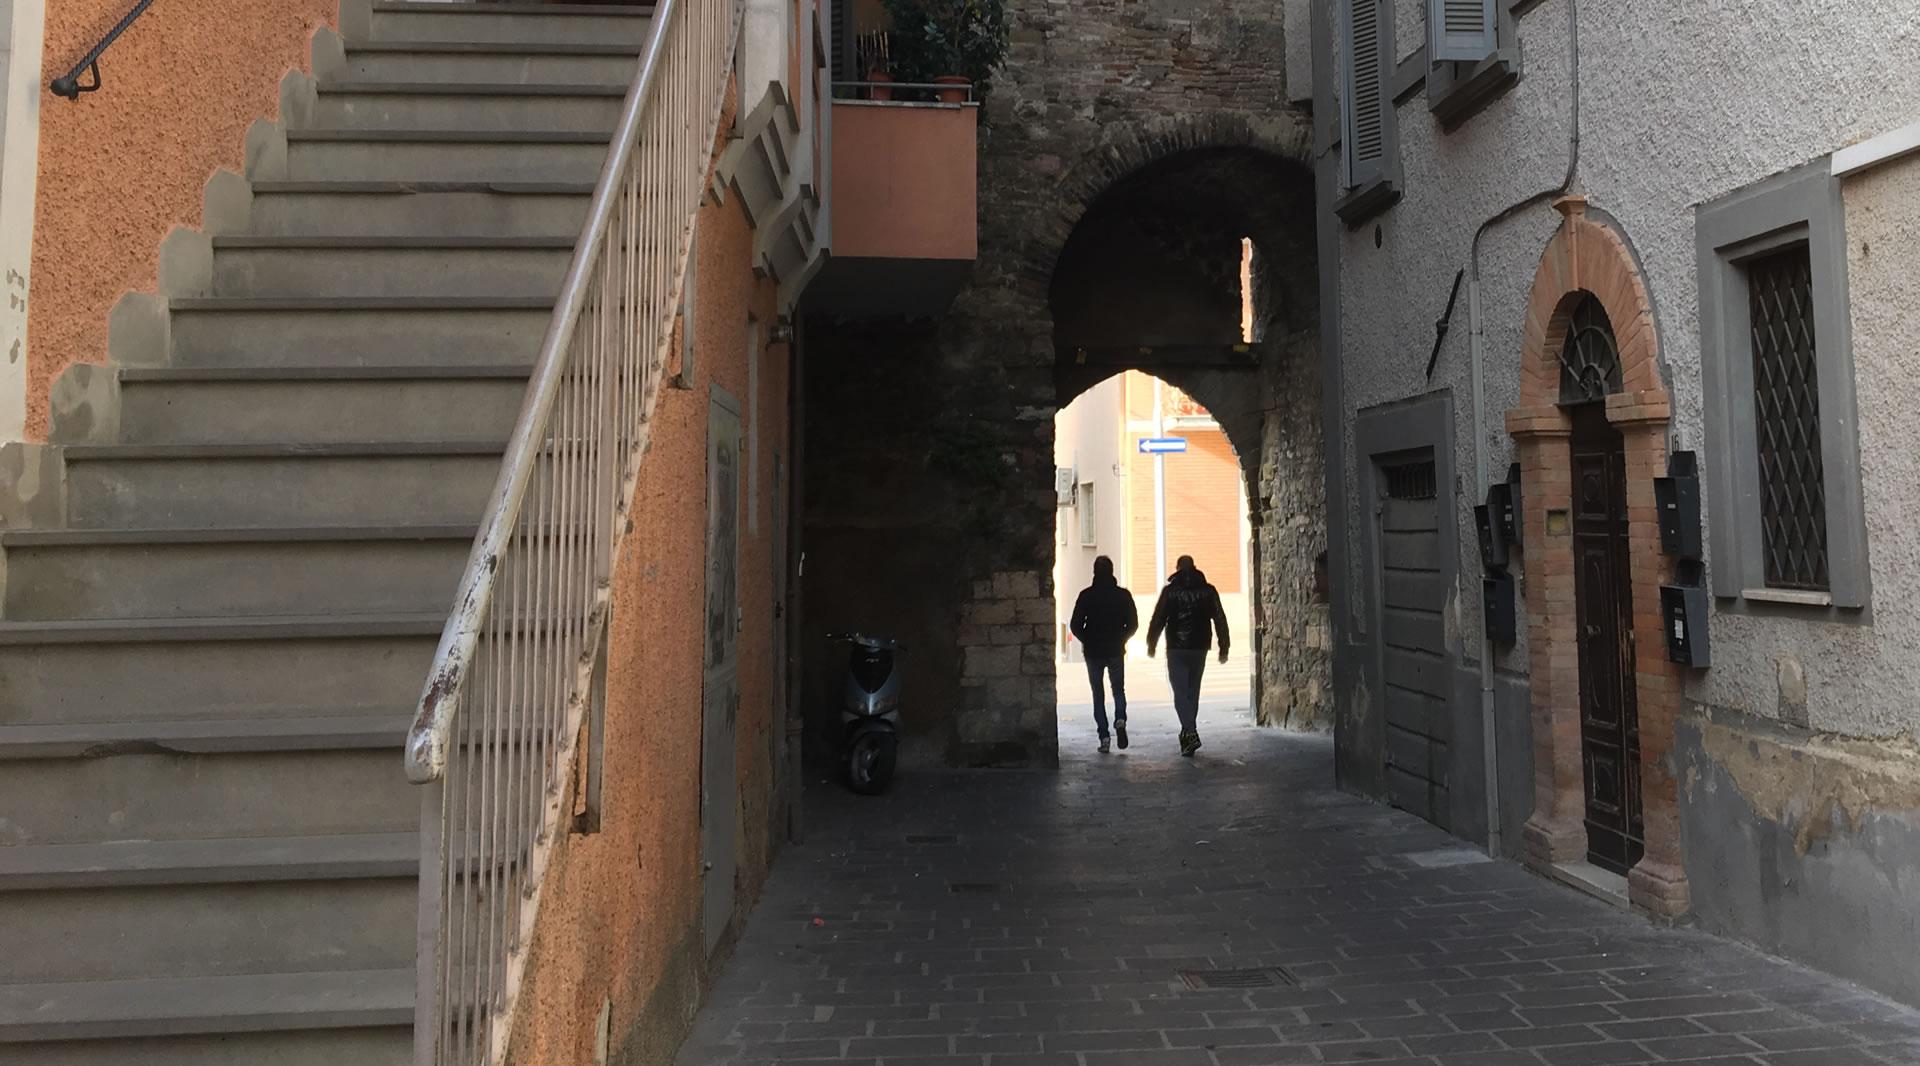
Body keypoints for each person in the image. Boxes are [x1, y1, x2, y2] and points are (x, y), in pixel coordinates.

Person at [1145, 555, 1230, 757]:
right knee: (1193, 691)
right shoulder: (1208, 591)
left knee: (1180, 693)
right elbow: (1220, 618)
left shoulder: (1170, 592)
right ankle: (1187, 738)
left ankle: (1190, 732)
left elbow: (1158, 618)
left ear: (1178, 569)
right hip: (1199, 647)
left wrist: (1151, 643)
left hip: (1176, 647)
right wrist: (1223, 646)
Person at [1068, 556, 1139, 754]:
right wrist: (1122, 638)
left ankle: (1104, 737)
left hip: (1093, 652)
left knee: (1098, 694)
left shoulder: (1086, 596)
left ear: (1094, 572)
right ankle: (1120, 718)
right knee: (1118, 689)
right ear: (1112, 571)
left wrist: (1087, 639)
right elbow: (1133, 624)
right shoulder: (1123, 595)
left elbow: (1075, 625)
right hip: (1116, 650)